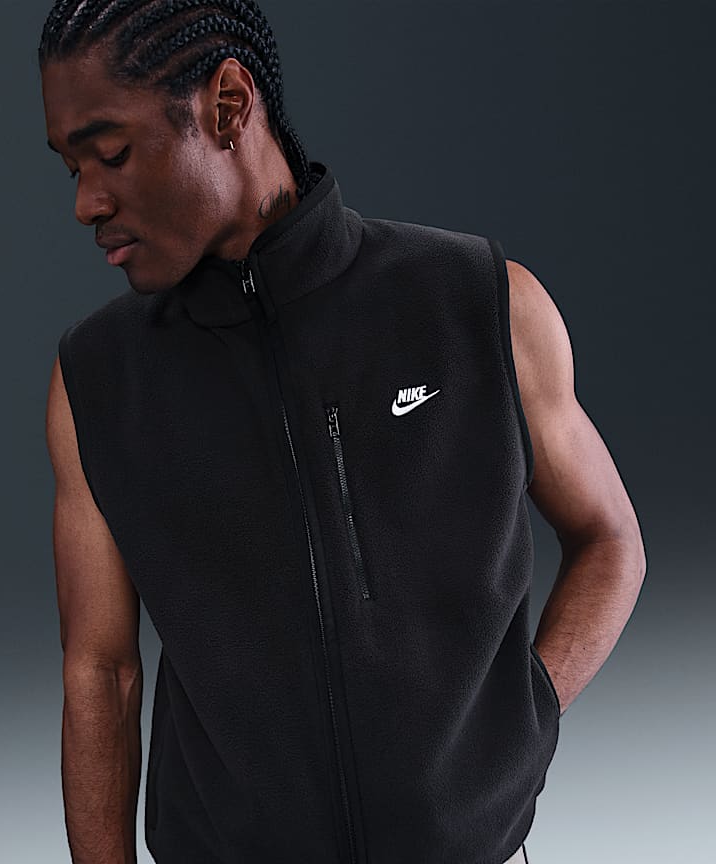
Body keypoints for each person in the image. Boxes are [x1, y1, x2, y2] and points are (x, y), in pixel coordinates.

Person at [40, 2, 647, 863]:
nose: (85, 201)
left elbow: (611, 538)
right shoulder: (100, 380)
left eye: (111, 153)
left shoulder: (475, 302)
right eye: (71, 167)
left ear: (227, 105)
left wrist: (524, 715)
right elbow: (101, 673)